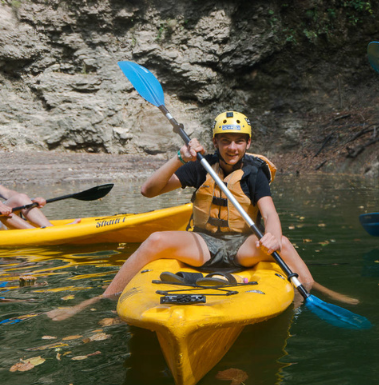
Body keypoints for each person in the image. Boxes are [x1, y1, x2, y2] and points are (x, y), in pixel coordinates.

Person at [48, 111, 353, 321]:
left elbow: (269, 213)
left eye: (238, 141)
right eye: (225, 140)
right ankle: (101, 301)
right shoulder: (201, 166)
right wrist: (179, 158)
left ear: (247, 143)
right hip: (204, 244)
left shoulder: (254, 172)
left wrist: (271, 234)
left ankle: (313, 289)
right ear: (216, 141)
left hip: (243, 246)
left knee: (282, 242)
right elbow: (148, 191)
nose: (232, 147)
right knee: (155, 240)